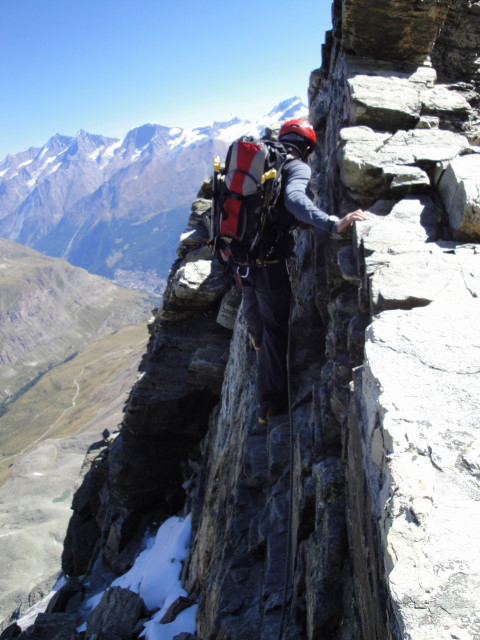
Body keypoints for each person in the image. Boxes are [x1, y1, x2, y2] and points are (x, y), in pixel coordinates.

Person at [240, 118, 366, 425]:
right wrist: (332, 223)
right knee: (276, 330)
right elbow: (294, 199)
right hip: (268, 260)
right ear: (307, 148)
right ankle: (270, 405)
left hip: (239, 252)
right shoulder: (295, 165)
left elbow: (267, 205)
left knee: (252, 301)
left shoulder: (259, 159)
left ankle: (256, 341)